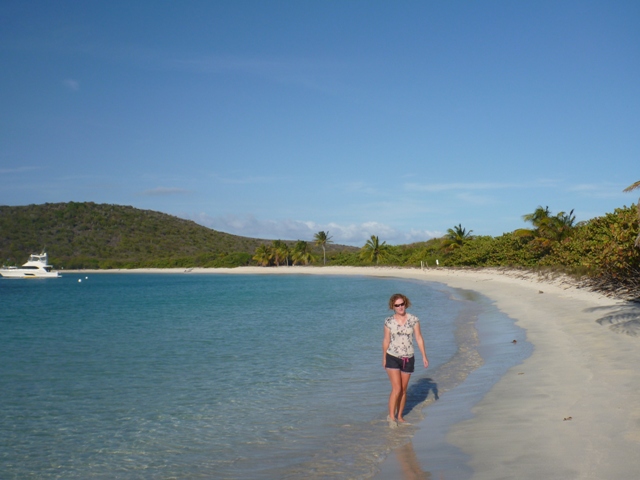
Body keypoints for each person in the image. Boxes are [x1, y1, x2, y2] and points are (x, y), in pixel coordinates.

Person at [382, 293, 428, 428]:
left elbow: (419, 338)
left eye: (402, 304)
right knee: (396, 388)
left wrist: (424, 356)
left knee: (403, 389)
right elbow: (386, 340)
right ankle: (391, 417)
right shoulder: (388, 322)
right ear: (393, 307)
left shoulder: (414, 320)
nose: (400, 307)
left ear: (405, 304)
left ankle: (400, 416)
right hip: (392, 357)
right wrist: (384, 357)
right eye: (397, 305)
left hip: (408, 357)